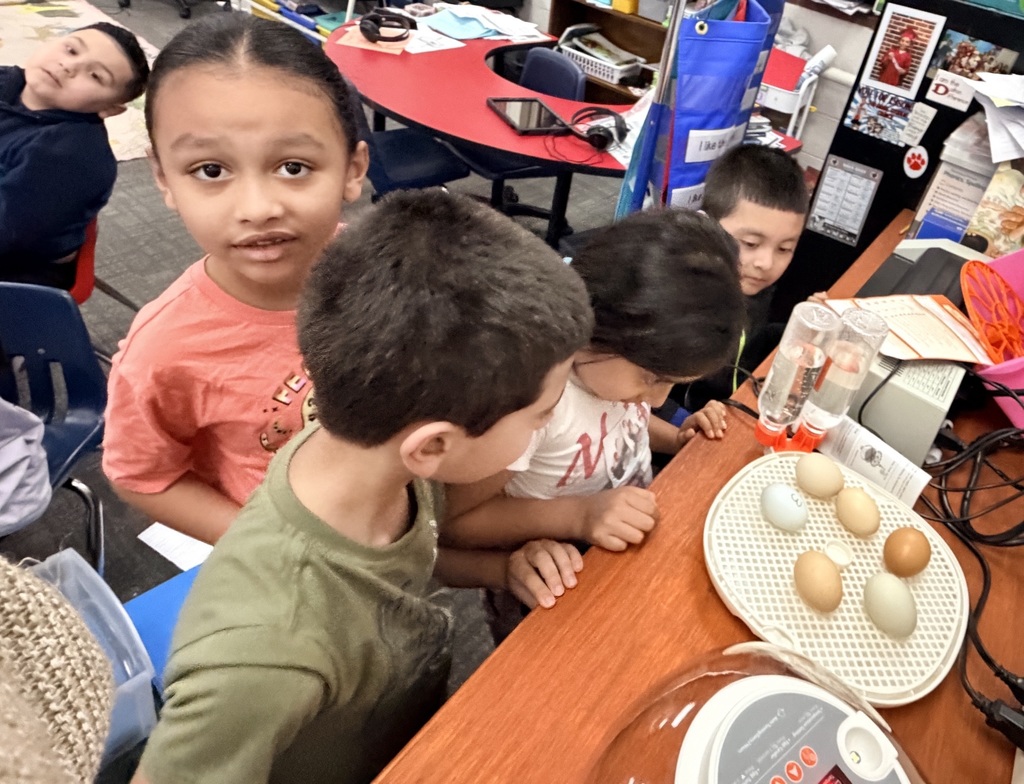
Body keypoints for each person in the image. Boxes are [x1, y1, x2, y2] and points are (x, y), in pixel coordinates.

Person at [131, 190, 595, 784]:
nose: (548, 426)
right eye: (542, 415)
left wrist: (500, 570)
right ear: (433, 446)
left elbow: (398, 566)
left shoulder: (367, 455)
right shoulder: (262, 654)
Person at [102, 14, 369, 544]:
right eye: (210, 170)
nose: (257, 208)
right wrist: (269, 544)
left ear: (352, 169)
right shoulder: (163, 351)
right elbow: (141, 476)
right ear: (163, 179)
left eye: (293, 167)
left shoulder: (386, 268)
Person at [442, 208, 745, 573]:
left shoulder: (610, 379)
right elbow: (454, 522)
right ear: (597, 326)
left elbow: (617, 425)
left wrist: (677, 440)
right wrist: (579, 516)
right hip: (555, 570)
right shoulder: (535, 403)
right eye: (653, 378)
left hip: (624, 535)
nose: (658, 401)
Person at [661, 144, 810, 416]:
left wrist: (805, 329)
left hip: (731, 407)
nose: (766, 263)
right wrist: (681, 424)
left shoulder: (750, 285)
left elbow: (751, 342)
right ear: (706, 226)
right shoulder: (673, 297)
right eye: (750, 243)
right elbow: (639, 392)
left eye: (784, 248)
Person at [0, 23, 149, 289]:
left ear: (110, 108)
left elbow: (9, 236)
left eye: (95, 76)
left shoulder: (71, 155)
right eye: (71, 50)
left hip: (17, 277)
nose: (68, 66)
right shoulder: (9, 81)